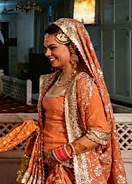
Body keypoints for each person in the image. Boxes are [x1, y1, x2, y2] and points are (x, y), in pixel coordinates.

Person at [20, 18, 127, 183]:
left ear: (72, 47)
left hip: (72, 170)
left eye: (53, 48)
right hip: (47, 165)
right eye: (46, 48)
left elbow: (100, 132)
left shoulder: (82, 82)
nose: (47, 53)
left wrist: (62, 153)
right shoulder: (51, 80)